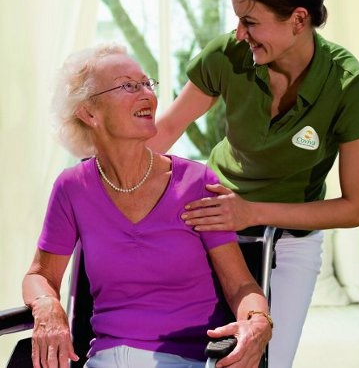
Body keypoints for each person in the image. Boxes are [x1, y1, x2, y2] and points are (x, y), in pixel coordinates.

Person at [148, 0, 359, 367]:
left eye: (250, 22)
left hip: (289, 242)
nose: (240, 33)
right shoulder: (230, 55)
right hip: (213, 222)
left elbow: (358, 206)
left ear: (298, 20)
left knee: (264, 360)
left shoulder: (348, 84)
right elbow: (167, 128)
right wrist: (99, 179)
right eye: (238, 19)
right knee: (186, 355)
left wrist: (251, 212)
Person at [22, 43, 272, 368]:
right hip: (104, 360)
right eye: (128, 86)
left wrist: (257, 321)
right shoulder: (73, 188)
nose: (147, 95)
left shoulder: (196, 183)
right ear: (89, 113)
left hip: (187, 360)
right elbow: (40, 275)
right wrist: (46, 305)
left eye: (146, 83)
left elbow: (241, 285)